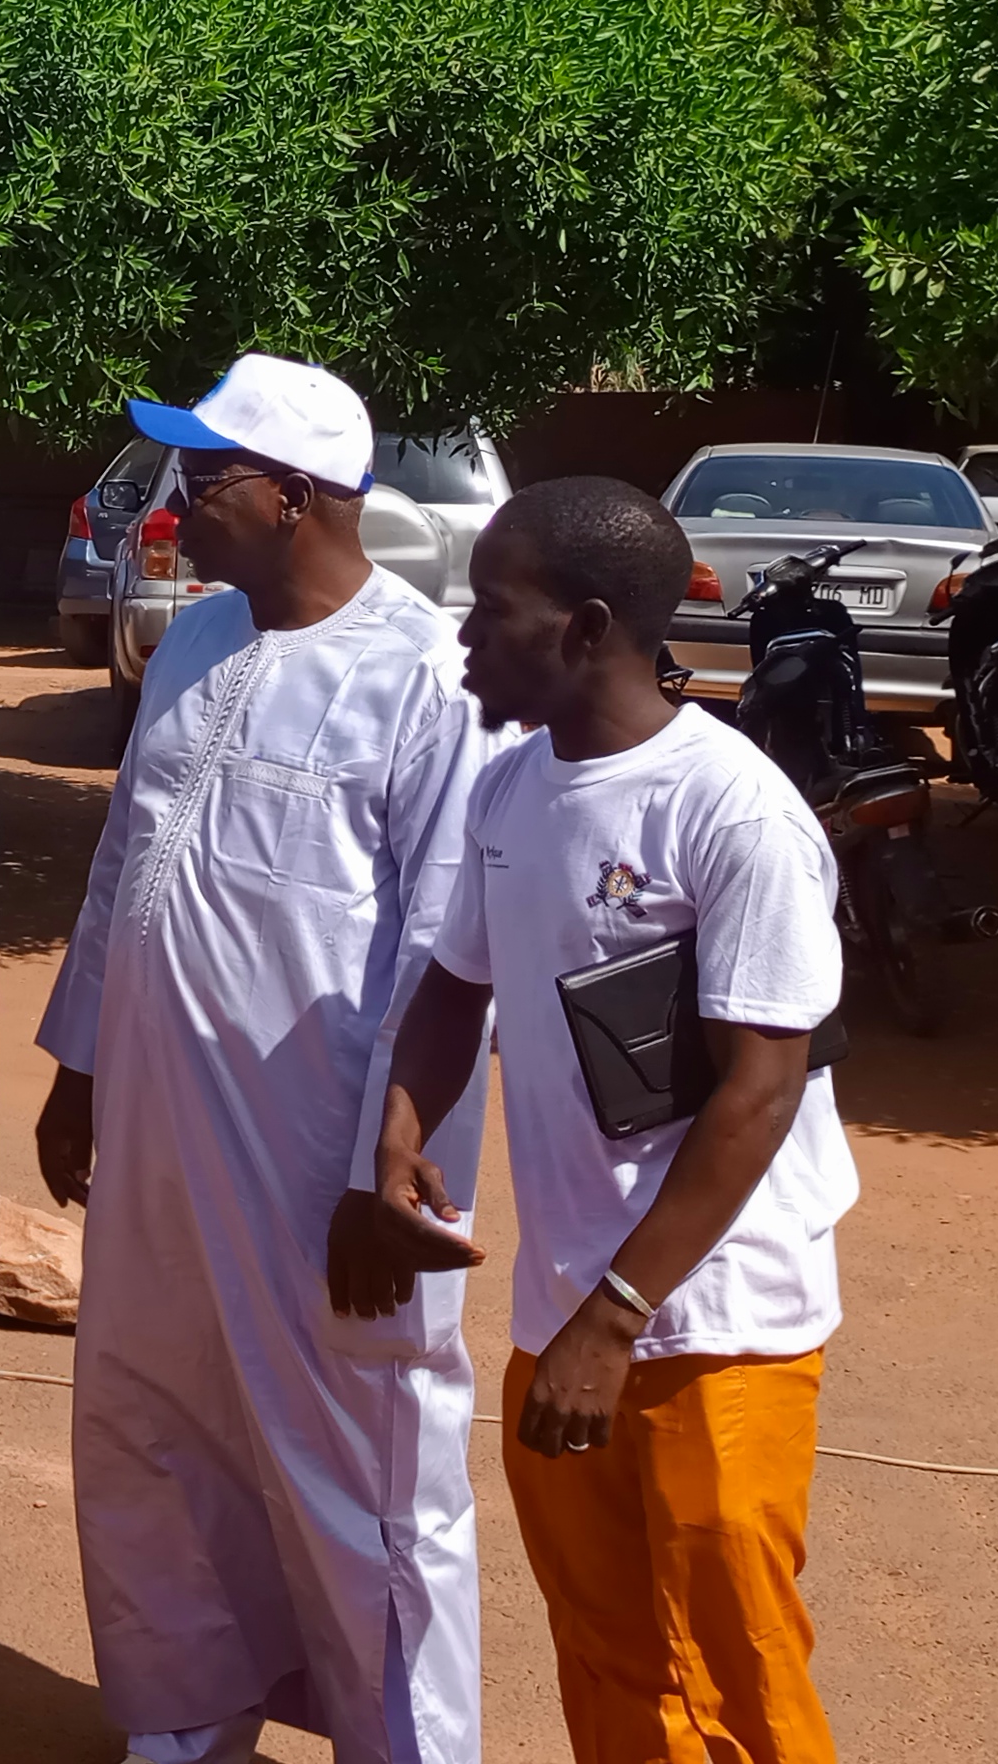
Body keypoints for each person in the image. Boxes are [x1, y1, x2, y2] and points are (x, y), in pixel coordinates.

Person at [36, 356, 506, 1764]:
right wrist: (79, 1069)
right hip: (165, 1144)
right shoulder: (192, 640)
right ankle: (185, 1719)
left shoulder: (430, 678)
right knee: (152, 1418)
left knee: (363, 1461)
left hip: (326, 1164)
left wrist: (394, 1175)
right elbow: (130, 863)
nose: (177, 506)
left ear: (295, 497)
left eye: (207, 478)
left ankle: (406, 1743)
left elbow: (450, 953)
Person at [357, 477, 850, 1764]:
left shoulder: (730, 811)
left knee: (733, 1667)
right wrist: (400, 1130)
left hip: (710, 1327)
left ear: (584, 628)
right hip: (564, 1310)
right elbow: (455, 987)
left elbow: (759, 1090)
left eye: (494, 609)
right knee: (613, 1659)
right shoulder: (510, 790)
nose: (463, 632)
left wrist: (614, 1319)